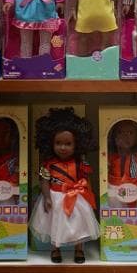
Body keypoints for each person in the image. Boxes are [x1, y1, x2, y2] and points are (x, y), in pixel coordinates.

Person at [29, 107, 98, 264]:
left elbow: (85, 179)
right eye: (58, 143)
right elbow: (44, 181)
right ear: (50, 143)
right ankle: (55, 249)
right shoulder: (49, 164)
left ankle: (79, 249)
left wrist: (88, 194)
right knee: (55, 223)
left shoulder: (79, 163)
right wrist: (46, 197)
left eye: (68, 144)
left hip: (76, 197)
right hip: (55, 196)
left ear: (77, 144)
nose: (63, 147)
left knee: (79, 223)